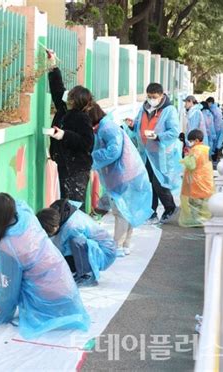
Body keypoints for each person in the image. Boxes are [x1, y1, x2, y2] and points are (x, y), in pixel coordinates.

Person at [0, 193, 90, 339]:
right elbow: (18, 202)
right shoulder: (26, 216)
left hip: (49, 302)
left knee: (2, 279)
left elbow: (8, 293)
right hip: (66, 289)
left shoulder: (8, 247)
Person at [88, 103, 152, 256]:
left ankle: (117, 246)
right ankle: (125, 245)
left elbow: (113, 152)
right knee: (126, 210)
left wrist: (91, 157)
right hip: (126, 173)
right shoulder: (106, 126)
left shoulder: (107, 128)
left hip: (123, 174)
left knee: (121, 211)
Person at [126, 83, 182, 224]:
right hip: (146, 153)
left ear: (161, 95)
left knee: (159, 184)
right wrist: (132, 126)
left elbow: (174, 131)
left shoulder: (169, 110)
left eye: (154, 97)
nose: (151, 99)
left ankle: (170, 208)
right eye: (149, 96)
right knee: (148, 183)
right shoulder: (144, 108)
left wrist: (158, 136)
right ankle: (151, 212)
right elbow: (139, 124)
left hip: (161, 154)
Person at [46, 50, 94, 207]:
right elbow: (57, 88)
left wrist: (64, 135)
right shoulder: (64, 108)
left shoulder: (82, 118)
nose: (67, 97)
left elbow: (87, 143)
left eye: (71, 96)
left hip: (77, 169)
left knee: (75, 207)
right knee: (67, 204)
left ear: (76, 101)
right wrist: (52, 64)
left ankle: (78, 231)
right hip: (65, 165)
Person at [36, 199, 116, 287]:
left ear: (55, 226)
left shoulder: (71, 226)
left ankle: (87, 275)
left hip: (105, 254)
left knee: (77, 242)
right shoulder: (61, 213)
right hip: (95, 248)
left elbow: (59, 248)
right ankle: (80, 271)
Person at [178, 130, 214, 227]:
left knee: (194, 203)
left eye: (191, 141)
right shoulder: (205, 149)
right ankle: (202, 219)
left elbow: (191, 165)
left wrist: (184, 159)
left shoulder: (196, 150)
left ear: (197, 140)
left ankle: (197, 221)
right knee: (202, 203)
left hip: (197, 182)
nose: (190, 143)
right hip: (206, 181)